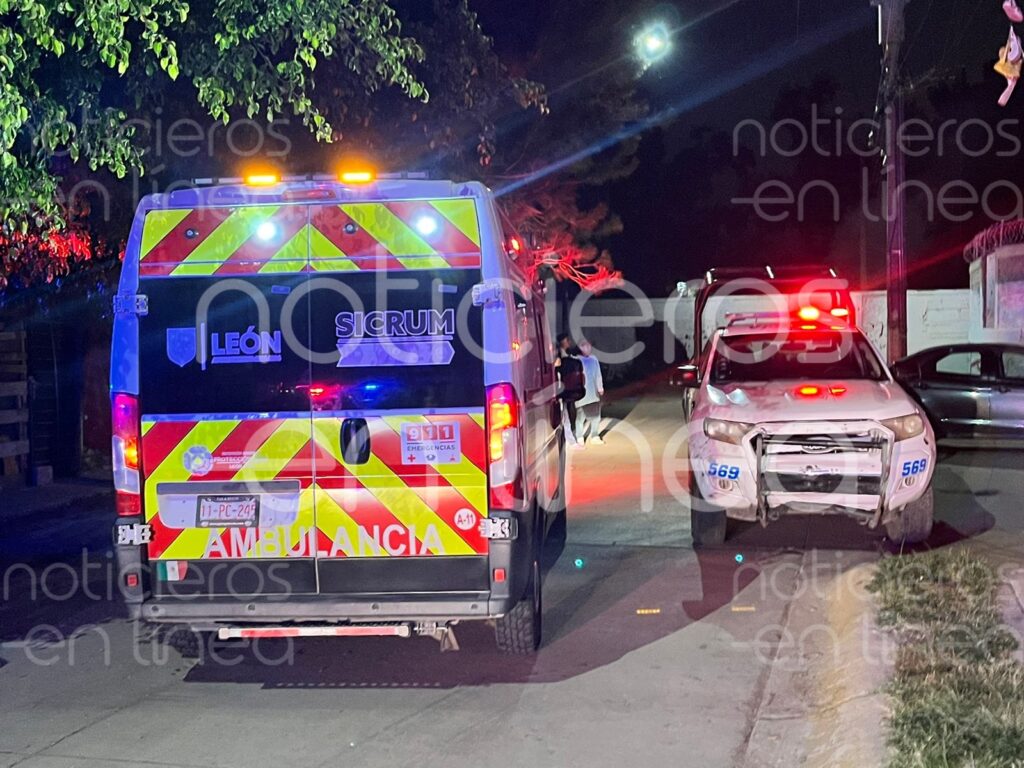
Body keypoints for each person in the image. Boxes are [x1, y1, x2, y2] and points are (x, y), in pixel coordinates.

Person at [555, 333, 586, 446]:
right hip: (559, 389)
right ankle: (570, 441)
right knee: (564, 414)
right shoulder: (558, 355)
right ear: (564, 341)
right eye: (567, 340)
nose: (569, 342)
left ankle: (569, 438)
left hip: (565, 389)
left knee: (566, 412)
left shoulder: (568, 354)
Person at [575, 340, 605, 445]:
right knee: (580, 416)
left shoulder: (594, 359)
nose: (587, 348)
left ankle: (595, 435)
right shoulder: (577, 359)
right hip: (581, 393)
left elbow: (598, 374)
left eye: (588, 346)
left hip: (593, 393)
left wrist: (600, 387)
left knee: (596, 416)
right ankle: (579, 437)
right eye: (584, 346)